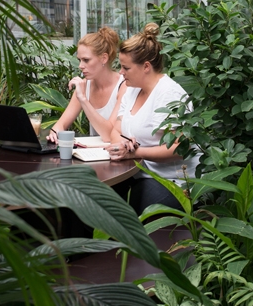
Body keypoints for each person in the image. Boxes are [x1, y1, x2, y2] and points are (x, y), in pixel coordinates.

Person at [107, 23, 199, 212]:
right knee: (95, 198)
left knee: (120, 212)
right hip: (140, 174)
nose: (121, 73)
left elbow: (180, 147)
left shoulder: (169, 94)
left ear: (146, 67)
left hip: (174, 181)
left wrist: (137, 152)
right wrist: (124, 144)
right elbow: (115, 129)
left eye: (126, 68)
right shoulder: (132, 90)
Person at [47, 27, 125, 143]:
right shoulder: (84, 85)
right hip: (91, 152)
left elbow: (109, 136)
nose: (80, 66)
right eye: (79, 60)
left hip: (119, 152)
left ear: (104, 58)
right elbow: (60, 125)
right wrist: (54, 133)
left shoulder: (123, 85)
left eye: (86, 60)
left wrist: (83, 99)